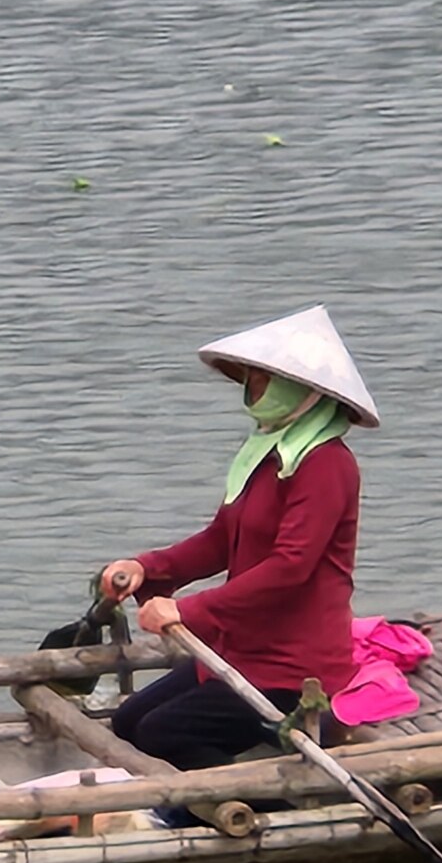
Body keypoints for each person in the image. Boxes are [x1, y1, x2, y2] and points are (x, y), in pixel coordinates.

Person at [98, 305, 376, 770]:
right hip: (242, 649)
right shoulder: (267, 453)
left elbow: (291, 567)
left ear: (299, 388)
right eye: (252, 377)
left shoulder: (326, 463)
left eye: (264, 378)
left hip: (294, 666)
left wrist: (186, 610)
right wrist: (147, 567)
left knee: (160, 731)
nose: (252, 387)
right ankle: (217, 788)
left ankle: (262, 811)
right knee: (129, 722)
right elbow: (219, 539)